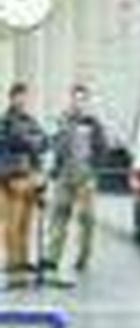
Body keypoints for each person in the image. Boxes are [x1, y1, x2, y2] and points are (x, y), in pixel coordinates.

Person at [43, 82, 109, 284]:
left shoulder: (93, 123)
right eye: (75, 98)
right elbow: (52, 145)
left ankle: (83, 257)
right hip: (64, 175)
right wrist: (51, 170)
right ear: (69, 99)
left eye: (82, 98)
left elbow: (102, 147)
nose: (78, 102)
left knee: (86, 218)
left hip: (85, 175)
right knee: (58, 216)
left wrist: (94, 169)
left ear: (86, 101)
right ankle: (52, 258)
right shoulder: (61, 120)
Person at [0, 81, 46, 284]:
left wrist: (31, 141)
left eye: (25, 96)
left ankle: (24, 261)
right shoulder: (5, 121)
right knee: (12, 225)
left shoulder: (31, 120)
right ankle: (12, 264)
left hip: (29, 177)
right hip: (10, 179)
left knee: (26, 224)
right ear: (12, 98)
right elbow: (14, 141)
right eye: (19, 96)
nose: (22, 100)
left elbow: (44, 141)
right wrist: (30, 141)